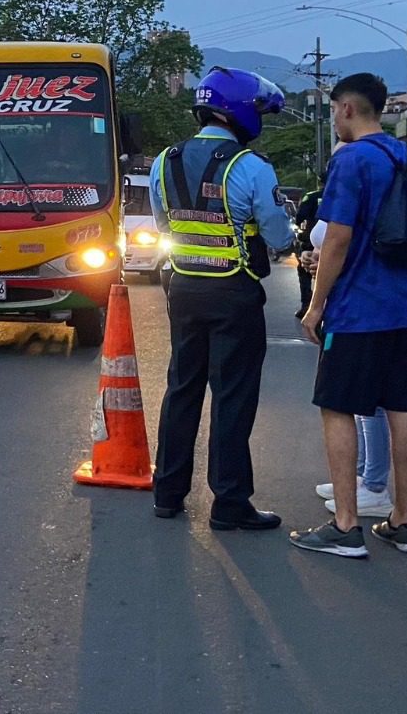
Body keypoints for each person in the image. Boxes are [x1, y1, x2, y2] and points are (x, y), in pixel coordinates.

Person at [292, 72, 407, 559]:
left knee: (337, 405)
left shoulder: (351, 159)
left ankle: (346, 524)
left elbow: (336, 238)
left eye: (334, 109)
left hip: (359, 308)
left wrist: (316, 305)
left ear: (348, 109)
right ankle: (404, 522)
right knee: (403, 406)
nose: (334, 117)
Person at [148, 66, 292, 532]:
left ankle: (167, 493)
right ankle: (229, 503)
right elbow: (276, 232)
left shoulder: (164, 161)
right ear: (240, 112)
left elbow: (163, 225)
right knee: (232, 396)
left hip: (183, 288)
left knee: (181, 388)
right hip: (235, 291)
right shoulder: (250, 166)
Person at [303, 209, 395, 520]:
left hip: (361, 304)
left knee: (366, 401)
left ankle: (375, 484)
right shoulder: (348, 180)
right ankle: (361, 477)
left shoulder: (361, 176)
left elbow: (344, 245)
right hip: (349, 300)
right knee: (356, 401)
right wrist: (317, 260)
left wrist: (316, 305)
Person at [292, 176, 324, 317]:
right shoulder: (341, 196)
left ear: (319, 182)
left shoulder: (311, 197)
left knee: (304, 272)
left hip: (311, 242)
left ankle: (307, 306)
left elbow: (300, 217)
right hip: (331, 243)